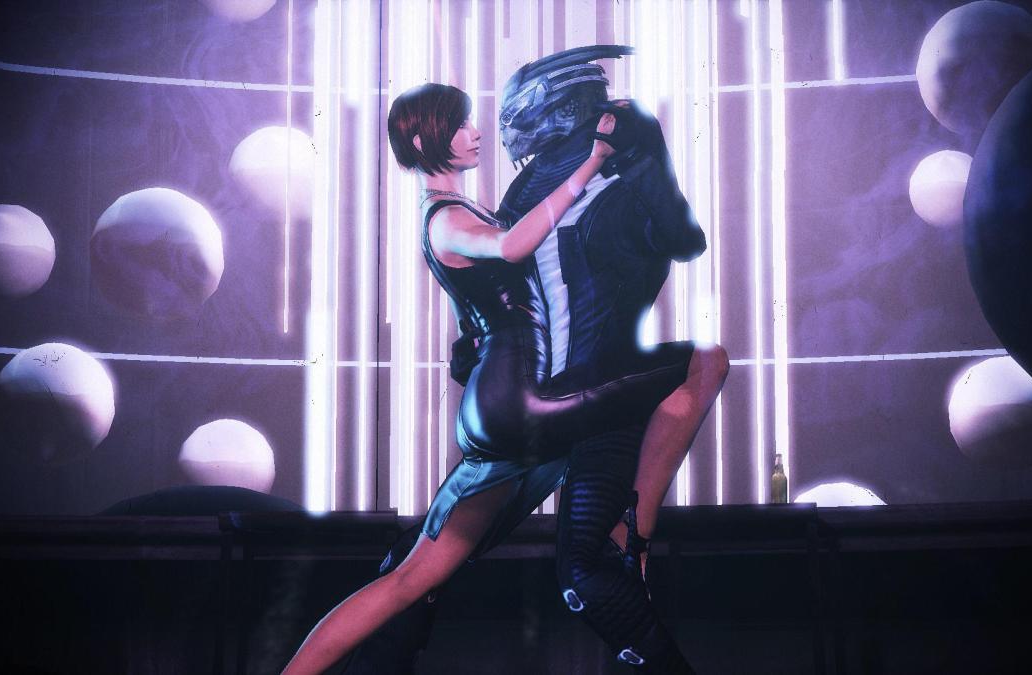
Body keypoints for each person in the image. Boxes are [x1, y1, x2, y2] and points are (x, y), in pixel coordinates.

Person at [282, 77, 726, 674]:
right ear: (425, 140)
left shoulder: (460, 212)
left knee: (411, 577)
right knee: (703, 363)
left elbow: (486, 299)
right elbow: (515, 246)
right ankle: (630, 544)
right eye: (460, 125)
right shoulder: (445, 218)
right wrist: (594, 159)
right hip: (521, 401)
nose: (476, 133)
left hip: (500, 405)